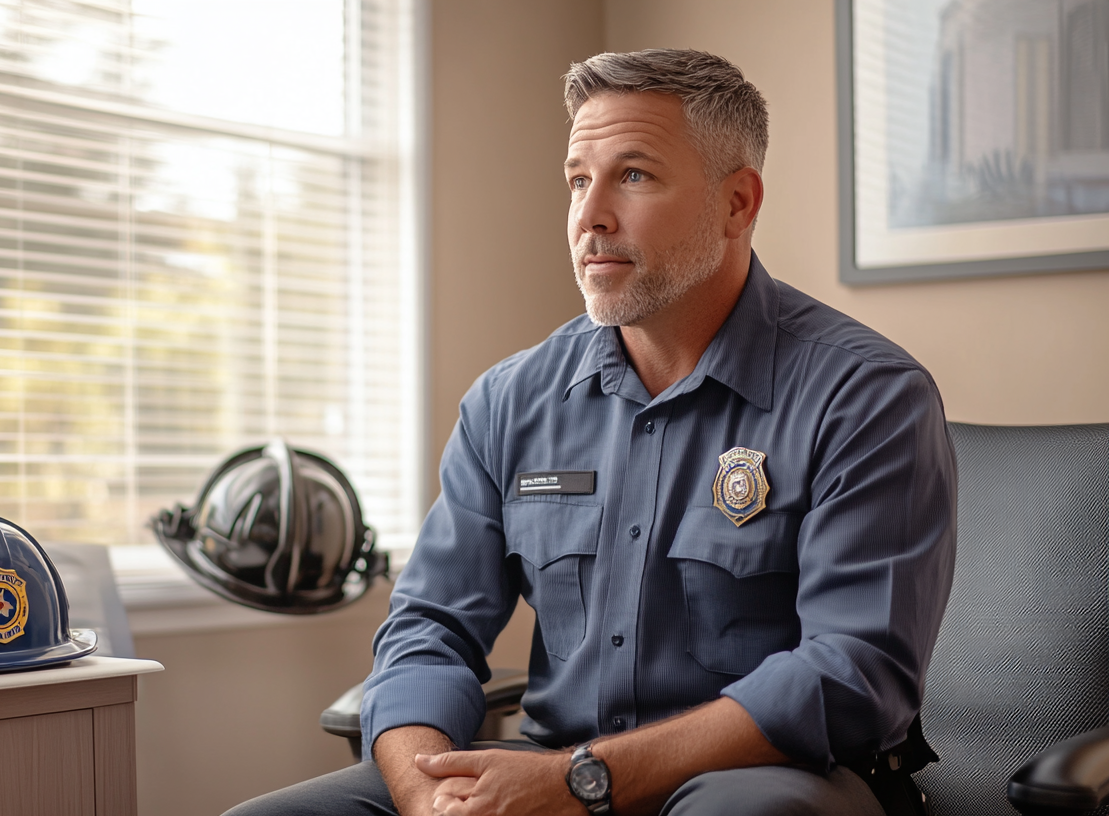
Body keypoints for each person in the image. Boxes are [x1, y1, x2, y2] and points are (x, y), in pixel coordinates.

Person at [226, 48, 956, 816]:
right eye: (579, 179)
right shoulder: (511, 400)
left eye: (633, 176)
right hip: (549, 767)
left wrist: (585, 782)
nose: (590, 215)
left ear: (738, 203)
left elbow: (851, 673)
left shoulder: (865, 396)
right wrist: (424, 796)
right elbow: (429, 627)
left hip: (770, 776)